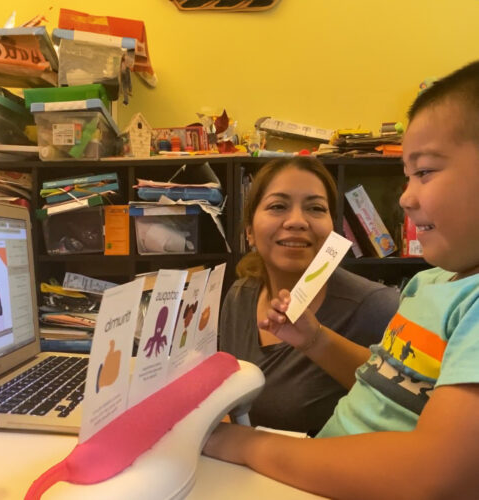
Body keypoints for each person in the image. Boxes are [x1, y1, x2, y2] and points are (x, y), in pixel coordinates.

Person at [204, 60, 479, 499]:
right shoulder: (429, 285)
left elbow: (436, 472)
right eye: (406, 176)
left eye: (424, 171)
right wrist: (315, 341)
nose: (405, 197)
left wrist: (245, 444)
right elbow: (390, 388)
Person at [219, 156, 400, 434]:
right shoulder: (239, 295)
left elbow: (407, 407)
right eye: (278, 206)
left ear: (333, 229)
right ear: (249, 232)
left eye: (315, 208)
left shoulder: (375, 307)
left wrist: (317, 341)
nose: (296, 221)